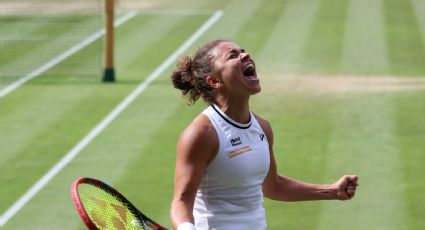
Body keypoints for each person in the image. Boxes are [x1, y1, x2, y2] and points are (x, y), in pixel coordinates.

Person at [169, 39, 358, 230]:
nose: (245, 55)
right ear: (215, 81)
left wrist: (331, 191)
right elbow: (182, 200)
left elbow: (272, 185)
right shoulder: (202, 134)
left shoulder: (262, 127)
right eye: (232, 55)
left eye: (243, 51)